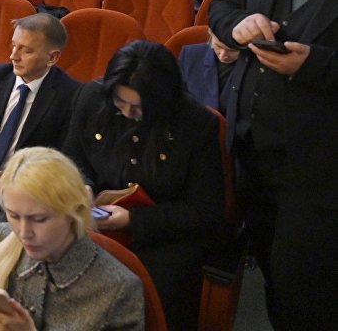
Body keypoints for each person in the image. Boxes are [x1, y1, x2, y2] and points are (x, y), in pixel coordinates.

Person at [208, 0, 338, 328]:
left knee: (305, 289)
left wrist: (315, 65)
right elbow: (224, 3)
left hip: (320, 171)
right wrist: (238, 25)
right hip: (251, 151)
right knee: (268, 269)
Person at [64, 40, 224, 327]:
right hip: (96, 220)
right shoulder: (92, 97)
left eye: (137, 108)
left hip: (162, 233)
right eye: (119, 102)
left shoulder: (196, 124)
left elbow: (206, 211)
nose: (126, 113)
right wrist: (82, 185)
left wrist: (133, 220)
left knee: (124, 293)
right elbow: (73, 157)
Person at [0, 146, 145, 331]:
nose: (24, 232)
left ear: (75, 213)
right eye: (13, 216)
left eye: (39, 219)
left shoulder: (119, 289)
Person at [0, 13, 81, 205]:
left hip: (25, 197)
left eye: (26, 51)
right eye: (13, 45)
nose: (13, 56)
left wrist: (15, 183)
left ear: (52, 57)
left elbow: (63, 161)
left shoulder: (71, 96)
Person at [178, 29, 240, 111]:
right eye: (218, 46)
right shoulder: (190, 55)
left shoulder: (254, 65)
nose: (222, 56)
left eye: (232, 51)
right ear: (210, 36)